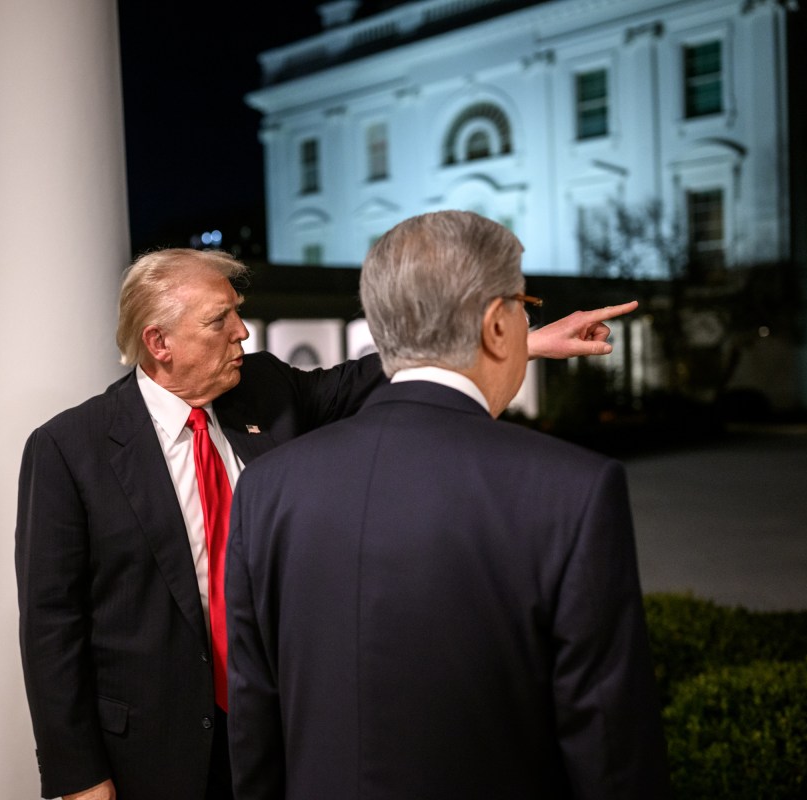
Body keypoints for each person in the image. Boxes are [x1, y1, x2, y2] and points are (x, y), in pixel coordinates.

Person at [15, 245, 640, 800]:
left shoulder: (264, 386)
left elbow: (364, 380)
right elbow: (51, 628)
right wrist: (78, 775)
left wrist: (521, 343)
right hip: (151, 752)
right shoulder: (70, 449)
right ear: (159, 343)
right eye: (219, 320)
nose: (242, 332)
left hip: (280, 729)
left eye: (238, 312)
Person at [225, 212, 671, 800]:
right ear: (496, 325)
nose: (526, 321)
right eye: (524, 305)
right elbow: (611, 751)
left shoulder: (266, 488)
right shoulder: (573, 490)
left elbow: (255, 722)